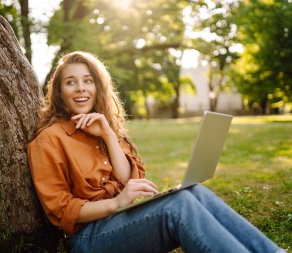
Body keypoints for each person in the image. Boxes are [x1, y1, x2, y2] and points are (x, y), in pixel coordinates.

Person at [27, 51, 285, 253]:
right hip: (89, 238)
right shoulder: (49, 140)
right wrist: (116, 202)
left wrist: (107, 135)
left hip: (122, 220)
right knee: (178, 206)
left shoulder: (102, 126)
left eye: (88, 81)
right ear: (59, 93)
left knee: (194, 191)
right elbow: (61, 211)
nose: (81, 88)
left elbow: (130, 179)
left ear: (98, 88)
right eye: (71, 82)